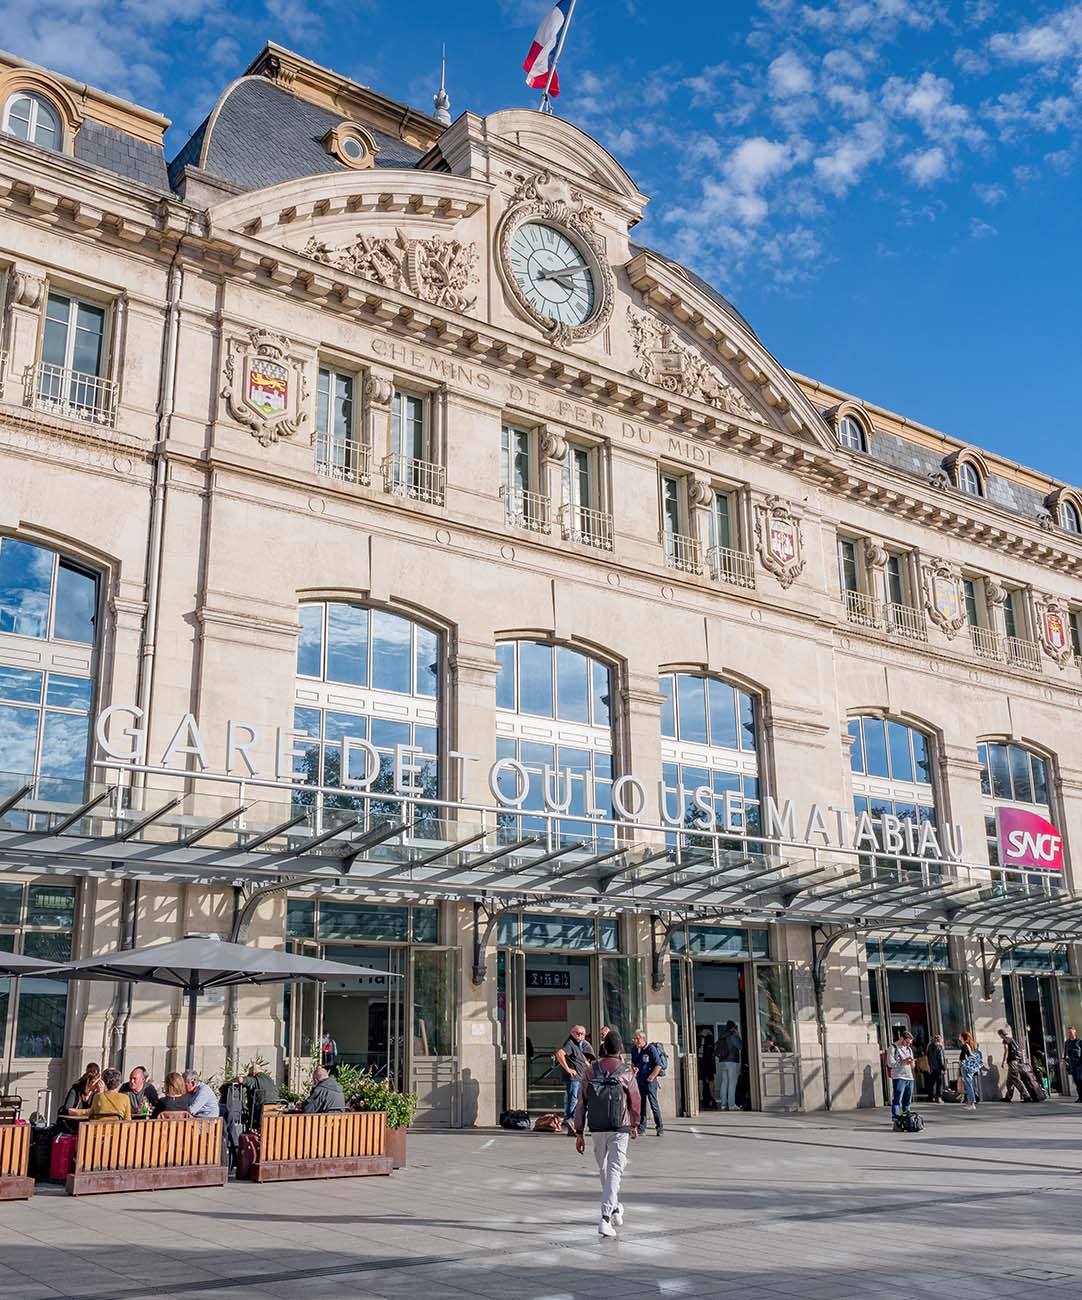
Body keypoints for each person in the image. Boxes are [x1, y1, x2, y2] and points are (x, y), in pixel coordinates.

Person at [573, 1029, 641, 1239]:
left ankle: (615, 1207)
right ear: (619, 1049)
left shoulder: (591, 1070)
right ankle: (605, 1218)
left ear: (603, 1048)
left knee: (605, 1170)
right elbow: (635, 1099)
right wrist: (635, 1123)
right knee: (614, 1170)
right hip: (620, 1127)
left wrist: (579, 1131)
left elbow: (581, 1102)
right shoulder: (625, 1071)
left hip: (597, 1127)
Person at [555, 1024, 595, 1136]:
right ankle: (570, 1122)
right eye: (577, 1033)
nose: (579, 1036)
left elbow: (582, 1060)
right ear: (572, 1033)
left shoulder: (580, 1044)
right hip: (574, 1078)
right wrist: (568, 1069)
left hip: (581, 1077)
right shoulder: (570, 1043)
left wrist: (590, 1069)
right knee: (573, 1100)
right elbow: (559, 1054)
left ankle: (572, 1123)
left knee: (578, 1100)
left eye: (582, 1034)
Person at [630, 1030, 663, 1136]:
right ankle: (642, 1128)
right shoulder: (634, 1050)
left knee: (654, 1104)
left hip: (650, 1082)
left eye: (636, 1038)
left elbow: (658, 1065)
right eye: (634, 1039)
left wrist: (652, 1076)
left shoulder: (651, 1049)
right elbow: (633, 1063)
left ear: (642, 1038)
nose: (635, 1041)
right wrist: (634, 1068)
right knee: (641, 1105)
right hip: (640, 1080)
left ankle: (659, 1127)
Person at [235, 1063, 280, 1128]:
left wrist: (228, 1082)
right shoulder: (270, 1080)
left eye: (249, 1075)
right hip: (275, 1112)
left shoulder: (255, 1079)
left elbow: (240, 1079)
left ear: (253, 1074)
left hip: (260, 1114)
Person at [888, 1031, 916, 1123]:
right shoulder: (893, 1048)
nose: (908, 1044)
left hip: (909, 1077)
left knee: (907, 1100)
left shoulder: (909, 1049)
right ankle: (896, 1118)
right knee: (897, 1099)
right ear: (902, 1038)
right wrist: (902, 1062)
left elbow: (913, 1066)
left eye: (910, 1043)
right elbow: (890, 1063)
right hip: (899, 1076)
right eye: (907, 1042)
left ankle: (906, 1118)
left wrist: (912, 1062)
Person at [715, 1021, 742, 1112]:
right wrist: (738, 1035)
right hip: (732, 1061)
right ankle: (731, 1104)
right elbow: (740, 1046)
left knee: (724, 1083)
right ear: (733, 1027)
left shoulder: (722, 1035)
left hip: (723, 1061)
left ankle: (723, 1104)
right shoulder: (733, 1036)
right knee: (732, 1083)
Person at [998, 1028, 1028, 1102]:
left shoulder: (1005, 1040)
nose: (1000, 1036)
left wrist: (1003, 1061)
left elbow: (1006, 1051)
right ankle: (1008, 1097)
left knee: (1015, 1078)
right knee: (1009, 1081)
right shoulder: (1011, 1039)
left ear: (1001, 1034)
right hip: (1015, 1061)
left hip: (1012, 1061)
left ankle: (1026, 1095)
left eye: (999, 1035)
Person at [959, 1031, 983, 1111]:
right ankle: (971, 1103)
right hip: (969, 1067)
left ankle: (972, 1103)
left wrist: (960, 1065)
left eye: (960, 1036)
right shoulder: (969, 1045)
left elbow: (962, 1057)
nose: (959, 1037)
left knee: (968, 1085)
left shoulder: (964, 1046)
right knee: (968, 1084)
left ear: (963, 1037)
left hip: (965, 1067)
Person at [926, 1034, 947, 1104]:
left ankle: (932, 1097)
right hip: (939, 1068)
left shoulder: (930, 1046)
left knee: (932, 1082)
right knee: (939, 1083)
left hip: (932, 1067)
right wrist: (944, 1068)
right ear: (940, 1040)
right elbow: (941, 1059)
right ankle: (939, 1097)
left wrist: (930, 1066)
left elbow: (928, 1057)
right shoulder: (939, 1047)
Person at [699, 1033, 717, 1109]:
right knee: (711, 1083)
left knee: (701, 1082)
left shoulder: (701, 1047)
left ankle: (701, 1098)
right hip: (708, 1067)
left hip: (702, 1067)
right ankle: (712, 1099)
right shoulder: (710, 1047)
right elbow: (709, 1058)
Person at [1064, 1027, 1082, 1102]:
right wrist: (1063, 1060)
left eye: (1071, 1032)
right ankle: (1080, 1097)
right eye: (1069, 1032)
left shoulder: (1079, 1041)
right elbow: (1065, 1053)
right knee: (1076, 1081)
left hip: (1079, 1063)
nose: (1070, 1033)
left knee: (1079, 1079)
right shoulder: (1067, 1042)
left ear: (1075, 1032)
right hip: (1072, 1064)